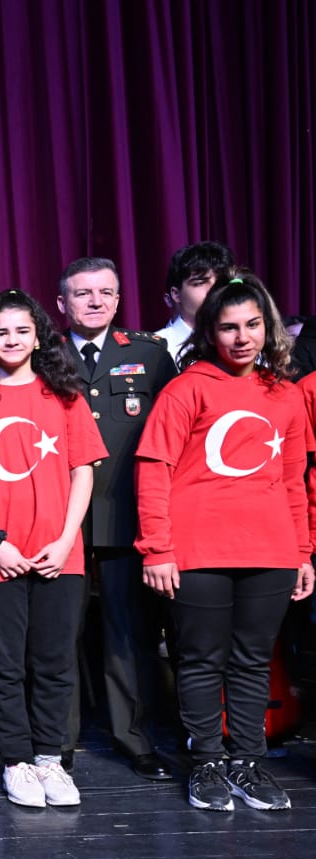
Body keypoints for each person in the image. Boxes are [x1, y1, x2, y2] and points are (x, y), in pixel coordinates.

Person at [137, 274, 313, 812]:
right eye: (229, 327)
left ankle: (249, 764)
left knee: (253, 662)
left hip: (271, 551)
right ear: (210, 331)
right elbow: (154, 470)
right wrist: (158, 549)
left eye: (253, 325)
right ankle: (207, 763)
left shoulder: (283, 394)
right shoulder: (186, 388)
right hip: (199, 551)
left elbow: (291, 479)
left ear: (268, 328)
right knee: (200, 661)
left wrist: (302, 553)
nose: (242, 338)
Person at [0, 290, 105, 808]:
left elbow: (83, 472)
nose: (11, 340)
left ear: (39, 335)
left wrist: (65, 542)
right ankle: (16, 761)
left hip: (59, 554)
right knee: (4, 665)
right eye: (0, 332)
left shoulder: (66, 397)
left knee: (56, 663)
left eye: (20, 330)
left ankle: (50, 760)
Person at [56, 256, 178, 779]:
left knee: (128, 635)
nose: (96, 301)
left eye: (106, 292)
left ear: (119, 297)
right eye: (83, 293)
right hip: (59, 521)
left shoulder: (149, 355)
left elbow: (174, 437)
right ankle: (57, 741)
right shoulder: (40, 356)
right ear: (62, 303)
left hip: (126, 517)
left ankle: (132, 737)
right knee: (58, 636)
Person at [154, 241, 235, 364]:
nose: (214, 289)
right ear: (176, 294)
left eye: (222, 282)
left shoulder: (246, 341)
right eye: (200, 282)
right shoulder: (156, 348)